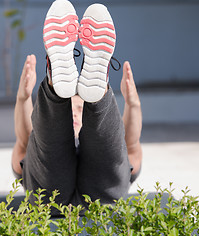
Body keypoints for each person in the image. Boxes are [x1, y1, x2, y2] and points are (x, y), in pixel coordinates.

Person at [11, 0, 142, 207]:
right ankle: (86, 92)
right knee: (45, 145)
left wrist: (133, 103)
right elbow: (24, 142)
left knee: (109, 149)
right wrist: (23, 98)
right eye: (71, 108)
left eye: (79, 108)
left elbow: (132, 147)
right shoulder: (38, 147)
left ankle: (75, 89)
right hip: (91, 196)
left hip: (59, 198)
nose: (74, 113)